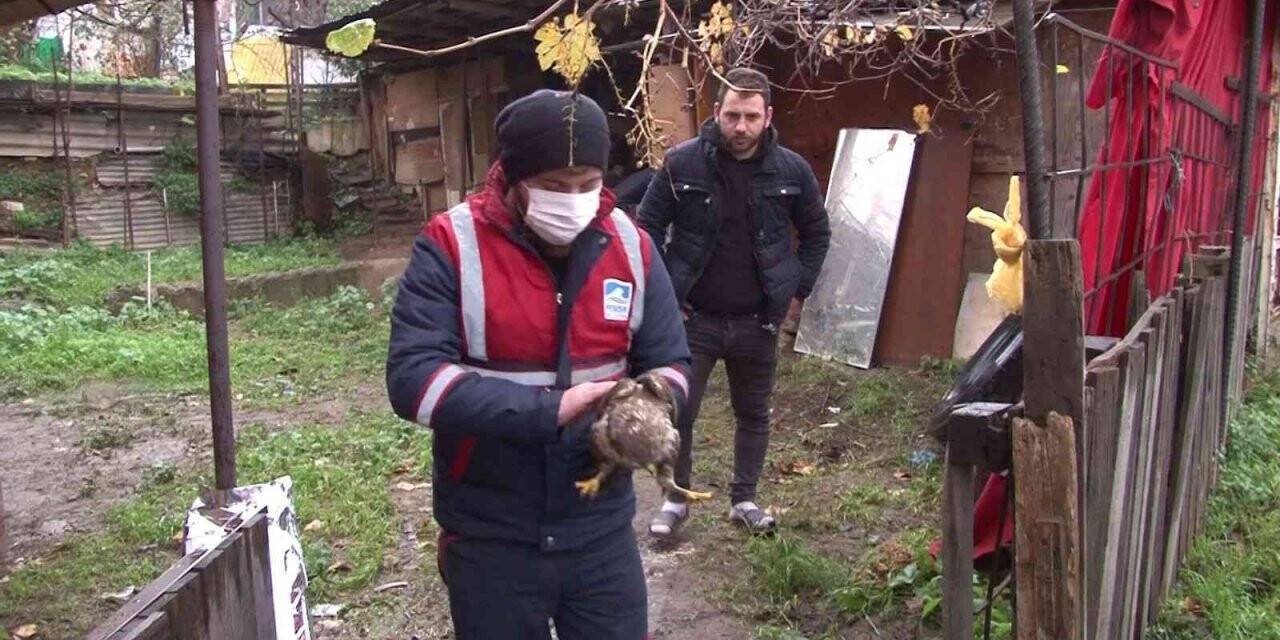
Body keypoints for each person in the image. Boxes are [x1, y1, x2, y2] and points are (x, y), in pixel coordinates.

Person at [386, 90, 692, 639]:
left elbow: (672, 361)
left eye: (588, 184)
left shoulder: (632, 246)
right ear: (512, 177)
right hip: (490, 533)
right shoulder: (451, 245)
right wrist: (549, 410)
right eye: (553, 186)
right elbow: (415, 381)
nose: (573, 200)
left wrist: (649, 404)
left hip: (599, 531)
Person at [637, 67, 830, 537]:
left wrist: (795, 291)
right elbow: (645, 228)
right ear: (716, 113)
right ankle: (675, 500)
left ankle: (744, 500)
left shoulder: (791, 170)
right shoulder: (682, 164)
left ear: (768, 117)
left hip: (757, 320)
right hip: (693, 319)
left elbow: (817, 233)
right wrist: (665, 295)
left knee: (753, 413)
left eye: (750, 116)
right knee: (678, 412)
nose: (740, 127)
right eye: (731, 115)